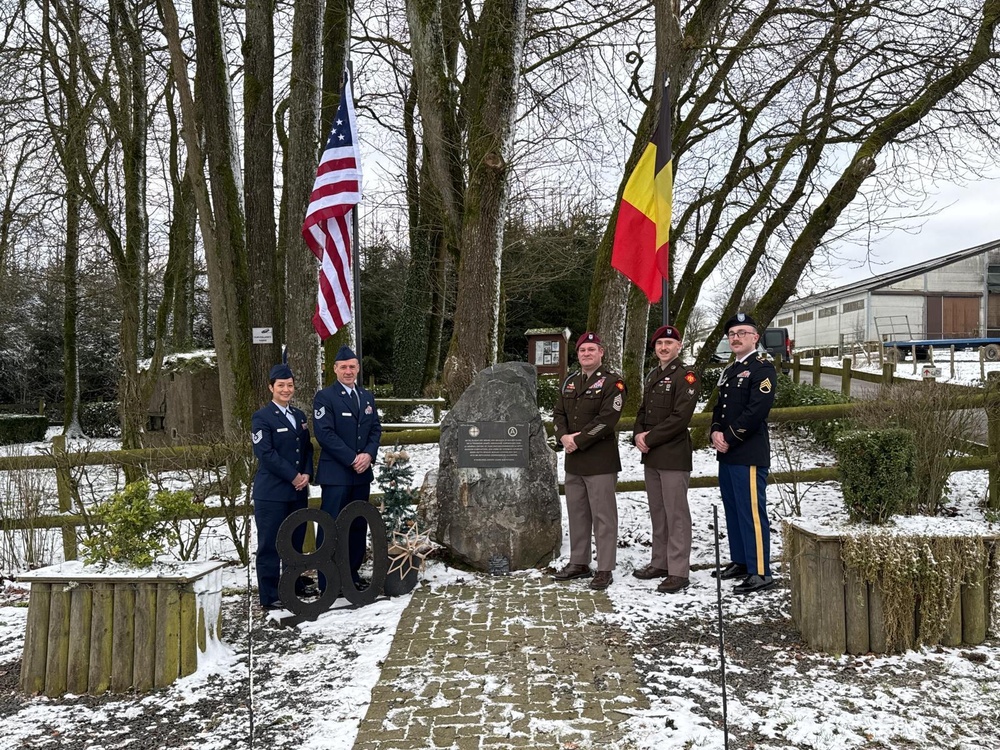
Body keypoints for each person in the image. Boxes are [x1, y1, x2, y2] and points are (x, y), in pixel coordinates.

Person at [552, 332, 625, 590]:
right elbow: (558, 413)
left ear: (601, 352)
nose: (586, 354)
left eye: (591, 350)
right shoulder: (569, 382)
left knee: (603, 517)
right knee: (578, 514)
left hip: (599, 461)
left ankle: (605, 568)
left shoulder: (612, 383)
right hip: (574, 461)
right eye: (582, 350)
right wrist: (562, 436)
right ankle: (579, 563)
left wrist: (577, 440)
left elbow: (607, 420)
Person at [710, 312, 777, 594]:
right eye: (732, 334)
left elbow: (757, 409)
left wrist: (729, 436)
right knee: (734, 510)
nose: (736, 338)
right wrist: (715, 431)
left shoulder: (762, 368)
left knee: (751, 512)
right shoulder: (731, 369)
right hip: (727, 452)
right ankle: (741, 560)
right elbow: (719, 407)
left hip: (747, 451)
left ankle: (760, 570)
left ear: (755, 338)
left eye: (742, 333)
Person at [632, 325, 700, 594]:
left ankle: (678, 571)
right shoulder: (653, 375)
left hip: (673, 455)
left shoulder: (687, 376)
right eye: (659, 343)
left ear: (679, 346)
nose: (663, 348)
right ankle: (659, 562)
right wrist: (638, 434)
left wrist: (649, 438)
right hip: (652, 456)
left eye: (669, 343)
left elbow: (680, 418)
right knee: (658, 513)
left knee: (676, 514)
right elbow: (642, 410)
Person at [313, 345, 382, 589]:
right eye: (343, 367)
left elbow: (375, 429)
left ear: (358, 368)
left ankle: (351, 576)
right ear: (335, 369)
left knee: (357, 527)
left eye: (352, 366)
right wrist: (353, 458)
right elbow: (325, 434)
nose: (348, 371)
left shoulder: (366, 396)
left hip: (362, 475)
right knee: (331, 525)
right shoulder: (325, 397)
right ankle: (327, 580)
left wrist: (369, 455)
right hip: (337, 474)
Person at [251, 363, 315, 610]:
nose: (286, 390)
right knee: (270, 544)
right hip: (273, 492)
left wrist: (307, 473)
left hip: (298, 491)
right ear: (271, 388)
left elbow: (306, 447)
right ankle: (270, 595)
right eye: (281, 386)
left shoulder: (298, 416)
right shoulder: (262, 417)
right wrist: (293, 476)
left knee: (295, 541)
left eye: (289, 385)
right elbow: (265, 453)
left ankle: (292, 584)